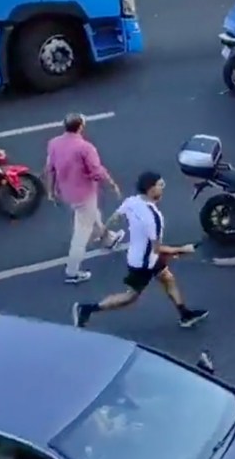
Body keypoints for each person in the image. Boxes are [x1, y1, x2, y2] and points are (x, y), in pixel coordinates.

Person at [71, 171, 207, 330]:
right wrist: (182, 249)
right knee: (130, 297)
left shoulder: (132, 201)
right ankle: (87, 309)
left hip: (143, 256)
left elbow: (116, 217)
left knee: (167, 278)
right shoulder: (154, 218)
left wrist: (103, 233)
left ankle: (185, 314)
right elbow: (157, 249)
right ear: (150, 189)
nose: (163, 188)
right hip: (144, 262)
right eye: (160, 185)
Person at [45, 113, 124, 284]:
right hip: (84, 194)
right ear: (81, 127)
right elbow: (97, 171)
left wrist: (50, 190)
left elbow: (50, 169)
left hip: (67, 192)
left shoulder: (54, 143)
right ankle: (72, 271)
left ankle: (109, 239)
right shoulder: (85, 147)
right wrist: (111, 185)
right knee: (82, 232)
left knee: (92, 217)